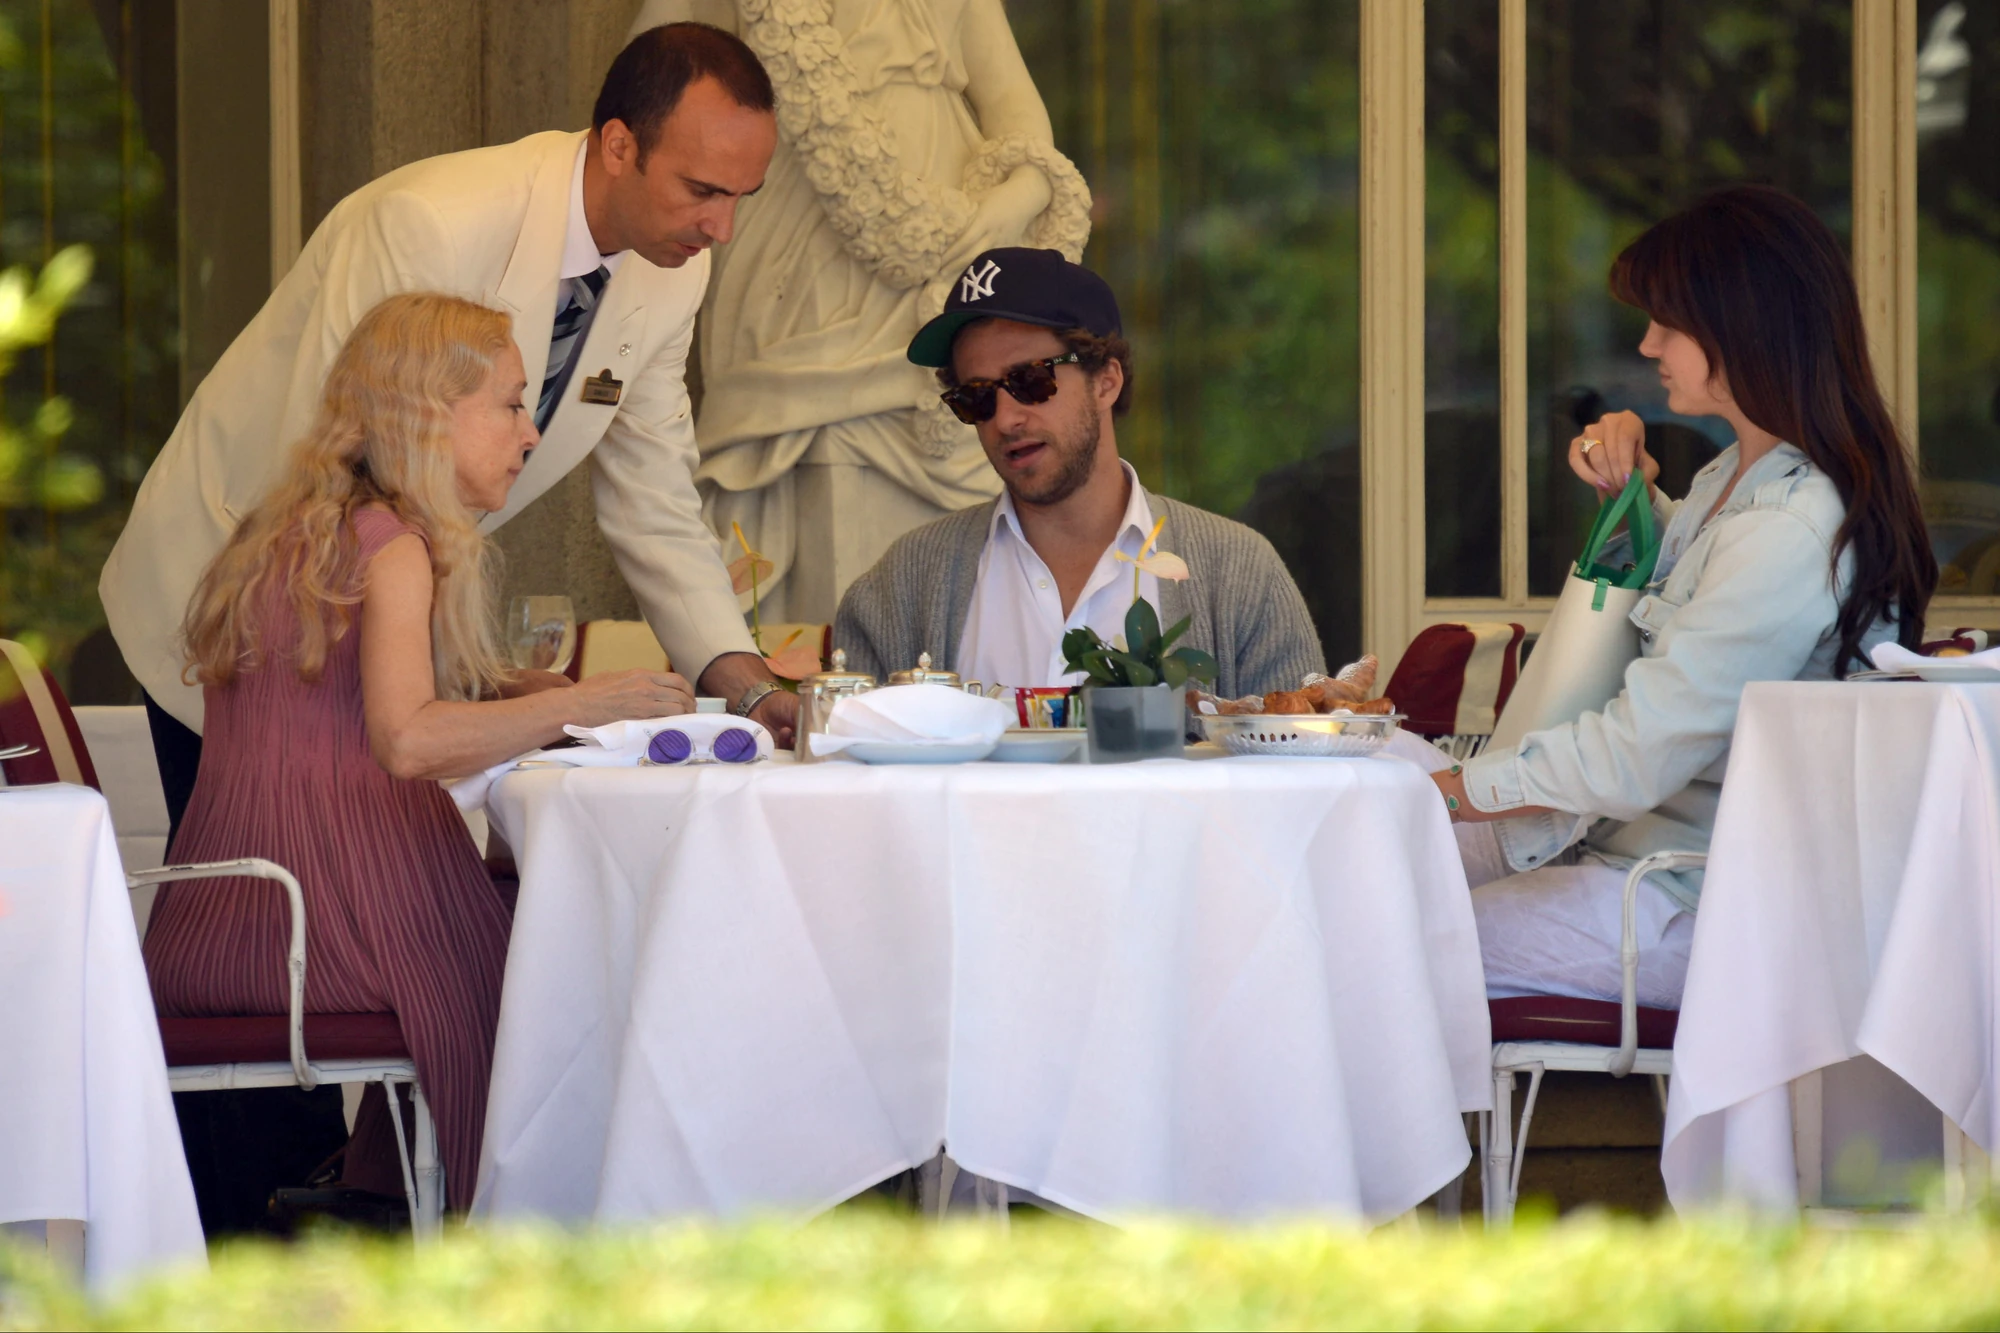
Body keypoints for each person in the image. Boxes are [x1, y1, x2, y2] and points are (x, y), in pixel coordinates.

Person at [102, 22, 796, 836]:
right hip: (234, 599)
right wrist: (482, 686)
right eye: (703, 190)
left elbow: (657, 499)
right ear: (618, 145)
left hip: (382, 648)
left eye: (742, 197)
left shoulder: (675, 271)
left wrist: (748, 684)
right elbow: (333, 469)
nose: (722, 229)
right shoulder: (428, 221)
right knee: (275, 890)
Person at [145, 293, 692, 1214]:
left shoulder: (284, 531)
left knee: (530, 914)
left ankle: (390, 1194)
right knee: (569, 947)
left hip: (219, 911)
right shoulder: (392, 545)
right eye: (511, 405)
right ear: (430, 414)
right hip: (321, 918)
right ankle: (524, 1219)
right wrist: (586, 701)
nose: (530, 432)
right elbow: (407, 740)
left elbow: (336, 696)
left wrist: (510, 686)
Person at [1432, 186, 1937, 1008]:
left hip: (1691, 901)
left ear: (1741, 325)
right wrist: (1630, 494)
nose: (1647, 343)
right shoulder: (1736, 476)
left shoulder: (1791, 525)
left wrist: (1452, 793)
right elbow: (1705, 585)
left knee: (1391, 945)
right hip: (1617, 852)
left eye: (1668, 322)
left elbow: (1639, 751)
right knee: (1368, 867)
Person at [833, 247, 1323, 695]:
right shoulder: (904, 585)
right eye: (976, 397)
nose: (1005, 419)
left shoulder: (1239, 574)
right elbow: (844, 755)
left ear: (1106, 381)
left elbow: (1303, 754)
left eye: (1030, 380)